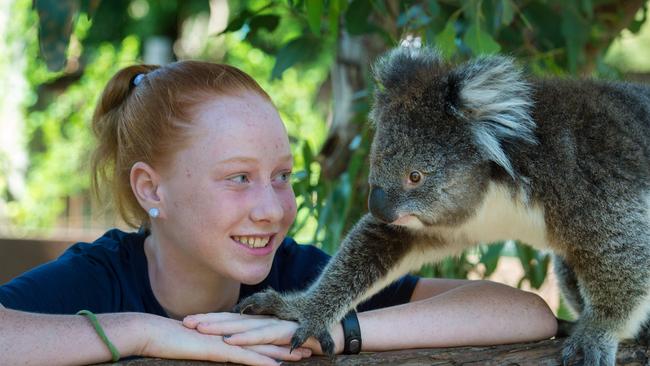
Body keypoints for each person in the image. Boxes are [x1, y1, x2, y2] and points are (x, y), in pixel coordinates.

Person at [0, 61, 558, 366]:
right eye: (239, 178)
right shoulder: (100, 278)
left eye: (283, 177)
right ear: (152, 190)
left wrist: (334, 330)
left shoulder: (299, 280)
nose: (272, 209)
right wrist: (145, 333)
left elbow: (523, 311)